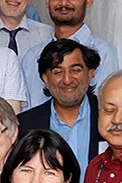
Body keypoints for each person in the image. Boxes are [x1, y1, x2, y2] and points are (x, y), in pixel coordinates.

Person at [19, 0, 122, 110]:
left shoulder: (103, 52)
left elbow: (104, 110)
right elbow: (27, 112)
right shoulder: (32, 57)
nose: (63, 3)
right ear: (47, 0)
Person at [18, 39, 104, 173]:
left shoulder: (108, 115)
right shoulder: (25, 125)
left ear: (90, 74)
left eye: (75, 70)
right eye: (58, 72)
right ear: (45, 79)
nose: (67, 80)